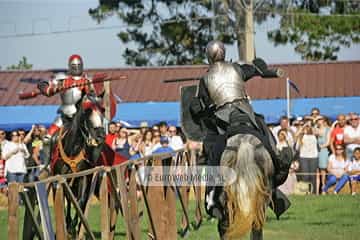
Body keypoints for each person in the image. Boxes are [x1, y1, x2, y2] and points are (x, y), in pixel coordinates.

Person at [188, 40, 292, 221]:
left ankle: (212, 197)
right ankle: (278, 167)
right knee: (264, 133)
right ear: (223, 53)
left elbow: (201, 107)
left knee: (214, 153)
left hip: (222, 119)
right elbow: (253, 70)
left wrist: (196, 106)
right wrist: (259, 67)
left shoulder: (205, 79)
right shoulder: (236, 69)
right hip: (246, 113)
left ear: (208, 56)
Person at [37, 54, 106, 162]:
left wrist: (94, 93)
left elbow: (93, 97)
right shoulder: (62, 80)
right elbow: (44, 85)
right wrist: (48, 89)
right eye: (74, 65)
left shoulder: (87, 81)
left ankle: (93, 162)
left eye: (79, 65)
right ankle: (45, 166)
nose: (77, 68)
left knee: (99, 138)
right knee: (47, 139)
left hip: (82, 117)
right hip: (64, 117)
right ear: (70, 66)